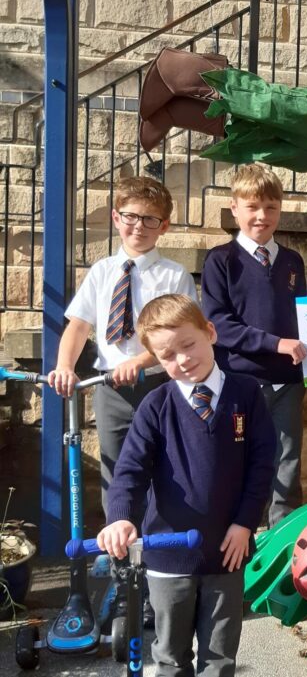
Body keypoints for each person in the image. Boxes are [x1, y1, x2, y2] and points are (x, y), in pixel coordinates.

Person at [97, 294, 276, 677]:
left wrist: (246, 523)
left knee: (220, 657)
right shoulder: (155, 406)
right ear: (156, 360)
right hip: (168, 555)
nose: (182, 360)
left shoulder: (246, 395)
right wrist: (121, 517)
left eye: (188, 345)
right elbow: (129, 469)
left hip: (227, 550)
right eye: (167, 355)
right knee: (170, 656)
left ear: (210, 333)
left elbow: (262, 466)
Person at [48, 176, 197, 514]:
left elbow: (180, 335)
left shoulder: (174, 276)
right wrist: (65, 366)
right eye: (130, 216)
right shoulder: (102, 272)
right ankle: (118, 551)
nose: (139, 227)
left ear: (164, 226)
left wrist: (140, 362)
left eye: (150, 220)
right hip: (109, 389)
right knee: (114, 469)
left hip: (159, 385)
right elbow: (78, 325)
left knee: (164, 465)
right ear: (116, 218)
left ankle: (155, 551)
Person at [201, 164, 307, 526]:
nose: (262, 216)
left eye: (271, 207)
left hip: (288, 383)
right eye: (252, 207)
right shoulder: (220, 260)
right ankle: (242, 534)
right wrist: (276, 344)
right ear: (235, 209)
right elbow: (219, 325)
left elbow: (302, 319)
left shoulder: (293, 261)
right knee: (241, 458)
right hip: (241, 381)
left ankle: (284, 537)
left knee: (288, 462)